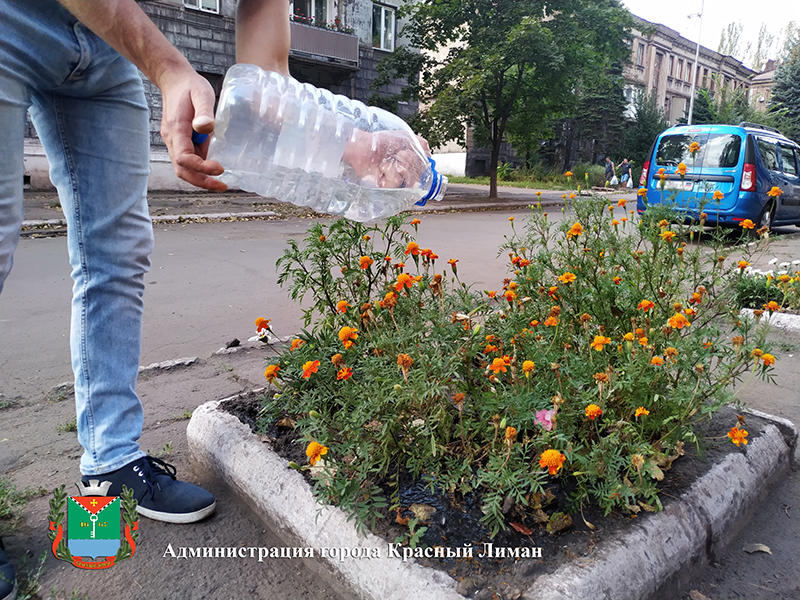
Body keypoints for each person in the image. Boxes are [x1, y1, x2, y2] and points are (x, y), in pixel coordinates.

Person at [1, 0, 291, 588]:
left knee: (118, 252)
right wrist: (168, 67)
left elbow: (267, 65)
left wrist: (294, 137)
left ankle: (110, 462)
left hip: (110, 51)